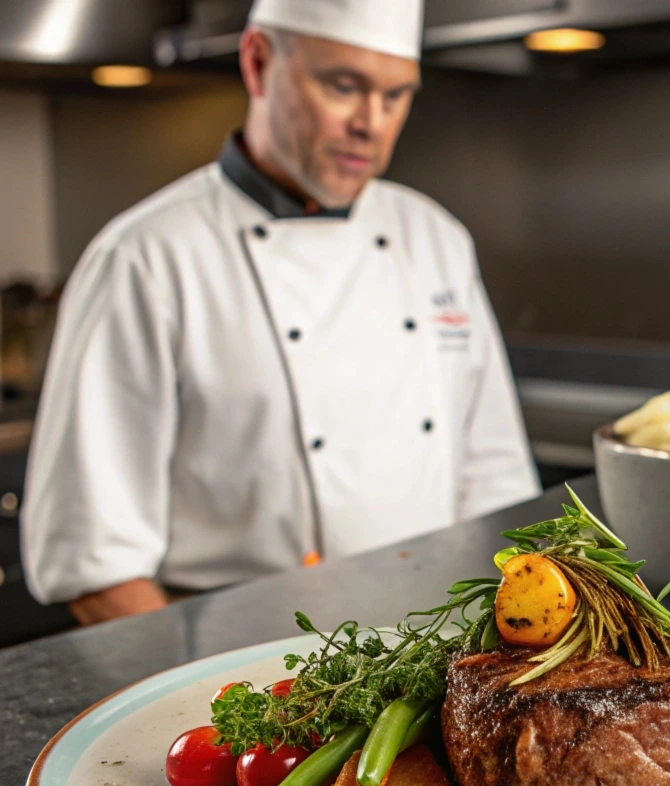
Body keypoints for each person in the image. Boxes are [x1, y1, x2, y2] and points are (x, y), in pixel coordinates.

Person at [22, 0, 539, 625]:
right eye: (343, 86)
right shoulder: (145, 259)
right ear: (258, 62)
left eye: (396, 95)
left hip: (436, 655)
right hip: (236, 667)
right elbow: (95, 563)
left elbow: (499, 490)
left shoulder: (434, 238)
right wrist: (212, 699)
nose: (370, 123)